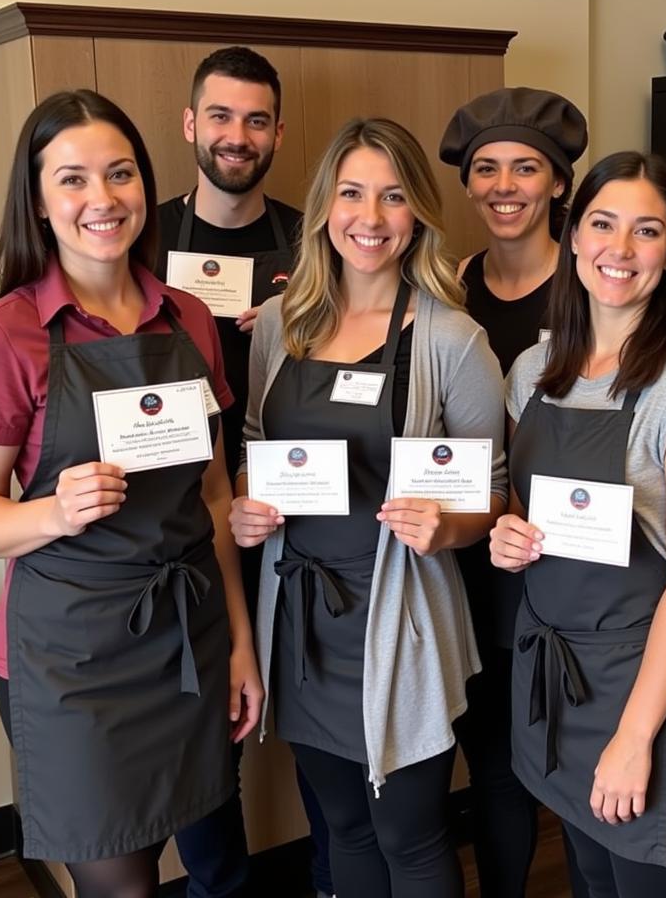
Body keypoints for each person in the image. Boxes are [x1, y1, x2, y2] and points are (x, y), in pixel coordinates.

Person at [0, 90, 262, 898]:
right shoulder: (5, 335)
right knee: (121, 887)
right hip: (72, 662)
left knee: (208, 856)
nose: (102, 199)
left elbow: (216, 494)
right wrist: (55, 510)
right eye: (73, 179)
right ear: (38, 201)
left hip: (186, 638)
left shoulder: (188, 318)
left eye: (120, 174)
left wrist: (237, 641)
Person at [230, 117, 507, 898]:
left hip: (401, 618)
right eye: (352, 194)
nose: (371, 218)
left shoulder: (453, 340)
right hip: (301, 617)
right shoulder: (281, 327)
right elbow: (256, 441)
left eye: (392, 197)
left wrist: (448, 526)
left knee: (409, 835)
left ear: (417, 211)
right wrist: (247, 505)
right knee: (345, 826)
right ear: (325, 207)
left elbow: (493, 488)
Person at [492, 151, 666, 896]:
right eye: (603, 224)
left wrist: (634, 739)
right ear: (573, 237)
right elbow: (520, 500)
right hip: (565, 686)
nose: (620, 250)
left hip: (657, 706)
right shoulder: (534, 368)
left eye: (647, 231)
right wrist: (509, 530)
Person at [157, 45, 331, 898]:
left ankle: (337, 875)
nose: (237, 135)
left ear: (278, 133)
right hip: (186, 517)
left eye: (255, 120)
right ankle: (219, 885)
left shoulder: (316, 241)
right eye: (220, 117)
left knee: (316, 712)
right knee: (204, 728)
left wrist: (294, 328)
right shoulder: (144, 239)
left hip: (296, 511)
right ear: (191, 125)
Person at [439, 86, 588, 897]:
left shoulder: (593, 286)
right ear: (467, 182)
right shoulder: (448, 285)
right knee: (478, 748)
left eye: (526, 168)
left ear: (559, 183)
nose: (504, 186)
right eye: (487, 168)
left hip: (552, 560)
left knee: (532, 755)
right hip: (461, 553)